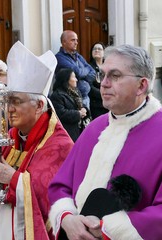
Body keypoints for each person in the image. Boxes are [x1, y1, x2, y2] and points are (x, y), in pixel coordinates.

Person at [0, 41, 74, 240]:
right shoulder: (11, 137)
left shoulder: (59, 144)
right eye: (8, 101)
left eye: (16, 101)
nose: (8, 109)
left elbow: (49, 195)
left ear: (39, 106)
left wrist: (13, 178)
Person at [48, 44, 162, 240]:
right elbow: (61, 186)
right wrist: (67, 218)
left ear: (141, 86)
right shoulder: (95, 128)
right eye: (103, 75)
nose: (104, 83)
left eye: (115, 76)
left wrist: (107, 229)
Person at [55, 30, 96, 109]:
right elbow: (78, 73)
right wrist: (84, 71)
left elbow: (92, 72)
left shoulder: (78, 56)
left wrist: (84, 77)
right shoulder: (59, 57)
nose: (76, 42)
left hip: (85, 98)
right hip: (70, 100)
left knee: (87, 120)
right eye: (73, 40)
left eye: (76, 40)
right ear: (64, 42)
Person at [50, 68, 90, 142]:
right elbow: (61, 114)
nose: (76, 80)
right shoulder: (57, 95)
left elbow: (80, 105)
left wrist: (85, 109)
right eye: (73, 77)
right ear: (66, 79)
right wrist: (78, 114)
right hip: (68, 133)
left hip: (80, 130)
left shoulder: (76, 91)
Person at [89, 42, 109, 119]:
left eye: (99, 49)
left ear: (104, 52)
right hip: (96, 105)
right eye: (94, 49)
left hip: (109, 104)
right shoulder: (89, 67)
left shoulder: (108, 67)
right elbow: (89, 86)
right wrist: (102, 93)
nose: (97, 50)